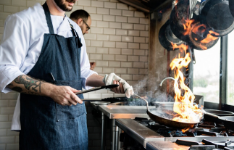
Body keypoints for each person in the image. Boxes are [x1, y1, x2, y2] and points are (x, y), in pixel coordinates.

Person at [0, 0, 134, 149]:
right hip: (42, 126)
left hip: (77, 125)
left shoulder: (75, 29)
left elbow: (82, 72)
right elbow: (5, 70)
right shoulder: (24, 21)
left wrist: (106, 80)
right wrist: (52, 90)